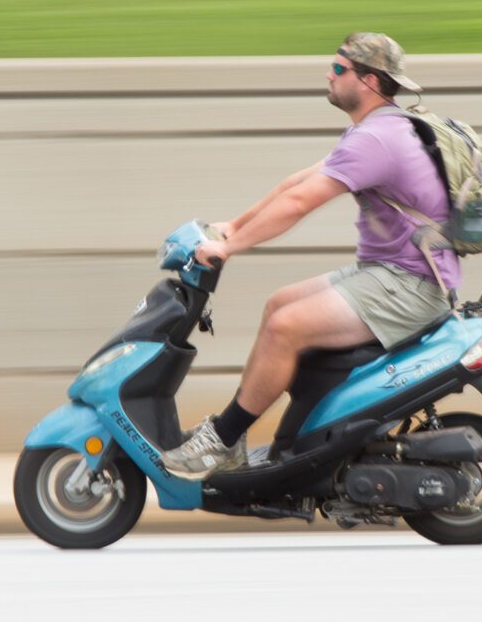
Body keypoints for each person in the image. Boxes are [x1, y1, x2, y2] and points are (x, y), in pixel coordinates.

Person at [161, 32, 460, 479]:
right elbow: (295, 184)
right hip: (386, 273)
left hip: (409, 285)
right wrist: (235, 227)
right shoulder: (375, 128)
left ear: (369, 81)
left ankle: (223, 440)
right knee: (279, 304)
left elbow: (301, 205)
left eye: (339, 68)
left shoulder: (377, 141)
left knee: (286, 327)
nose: (328, 73)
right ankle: (250, 439)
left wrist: (229, 248)